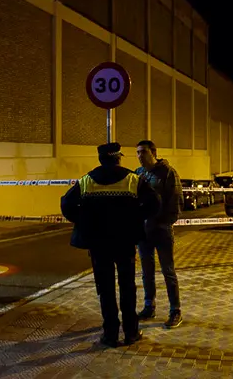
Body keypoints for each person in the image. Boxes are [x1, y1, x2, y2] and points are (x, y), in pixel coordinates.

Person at [61, 142, 160, 347]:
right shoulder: (133, 179)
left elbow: (66, 204)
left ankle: (110, 334)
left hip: (98, 244)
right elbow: (155, 203)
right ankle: (131, 333)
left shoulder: (87, 181)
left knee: (105, 289)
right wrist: (136, 217)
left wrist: (83, 221)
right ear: (118, 158)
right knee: (127, 287)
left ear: (100, 159)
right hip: (125, 242)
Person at [135, 140, 184, 329]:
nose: (140, 156)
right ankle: (149, 306)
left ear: (153, 152)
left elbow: (176, 203)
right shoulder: (138, 174)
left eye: (143, 152)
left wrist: (163, 223)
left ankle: (175, 311)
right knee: (146, 272)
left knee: (168, 271)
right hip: (143, 232)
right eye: (138, 153)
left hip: (161, 231)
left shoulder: (168, 173)